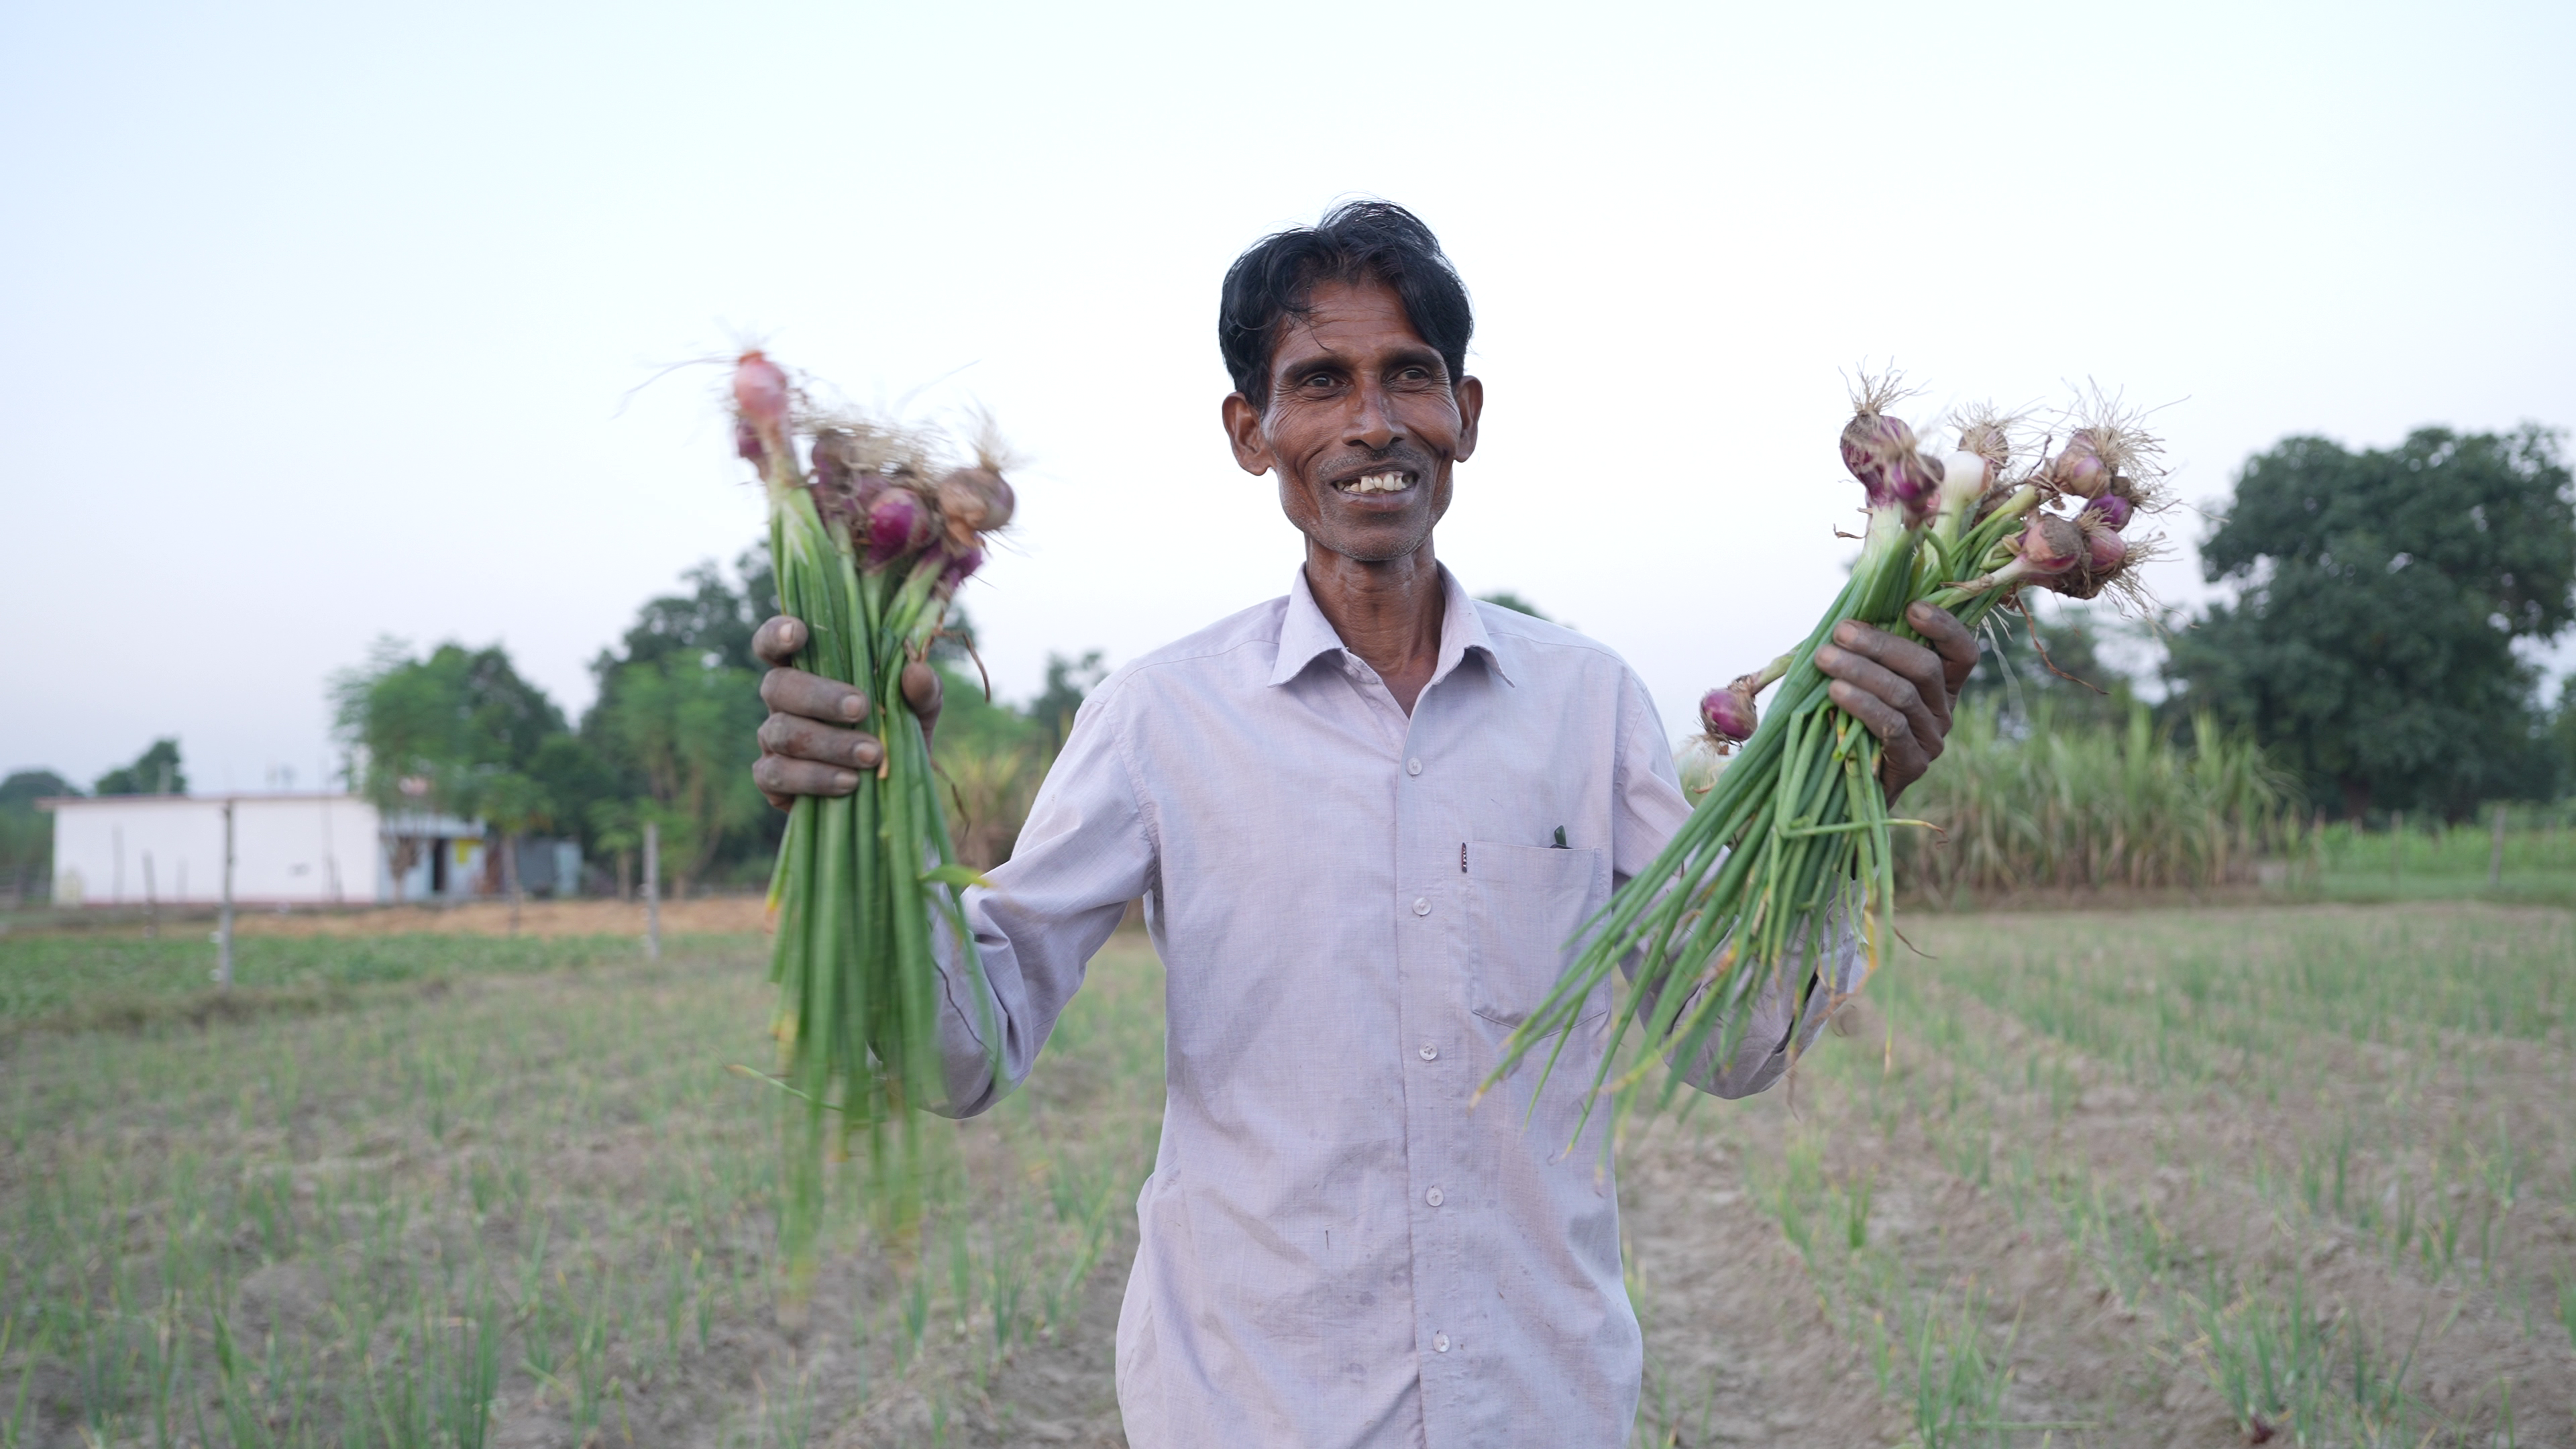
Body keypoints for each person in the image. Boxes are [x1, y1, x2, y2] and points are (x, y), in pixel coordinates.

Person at [749, 202, 1977, 1447]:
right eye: (1320, 383)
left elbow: (1733, 1042)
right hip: (1248, 1413)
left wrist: (1848, 805)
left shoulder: (1587, 706)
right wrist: (863, 818)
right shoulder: (1159, 719)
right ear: (1253, 432)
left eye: (1410, 378)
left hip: (1537, 1410)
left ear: (1468, 416)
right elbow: (968, 1051)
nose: (1373, 423)